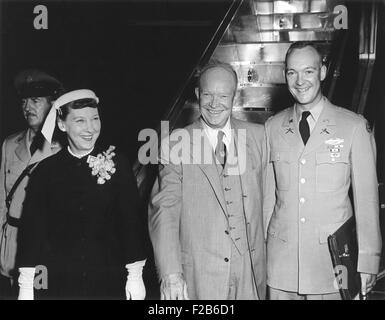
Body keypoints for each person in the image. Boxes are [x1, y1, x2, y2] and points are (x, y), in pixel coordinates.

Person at [264, 41, 382, 300]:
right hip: (281, 266)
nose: (299, 80)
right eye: (292, 72)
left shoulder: (353, 126)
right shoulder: (272, 128)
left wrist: (368, 260)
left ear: (323, 72)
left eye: (308, 71)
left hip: (332, 265)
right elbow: (267, 200)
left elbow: (367, 200)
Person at [148, 62, 267, 300]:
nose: (214, 104)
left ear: (234, 96)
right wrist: (171, 274)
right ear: (197, 94)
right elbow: (165, 210)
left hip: (251, 275)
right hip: (200, 277)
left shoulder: (259, 136)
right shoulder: (175, 143)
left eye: (223, 96)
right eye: (207, 95)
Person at [16, 89, 148, 300]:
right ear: (62, 124)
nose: (90, 128)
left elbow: (130, 222)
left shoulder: (117, 163)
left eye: (95, 119)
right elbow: (33, 231)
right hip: (60, 283)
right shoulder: (45, 171)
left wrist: (135, 274)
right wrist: (26, 285)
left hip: (108, 280)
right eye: (80, 121)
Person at [0, 69, 63, 299]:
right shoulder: (9, 145)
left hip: (47, 250)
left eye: (36, 101)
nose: (27, 107)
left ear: (53, 104)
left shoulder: (64, 148)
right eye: (24, 101)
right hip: (11, 250)